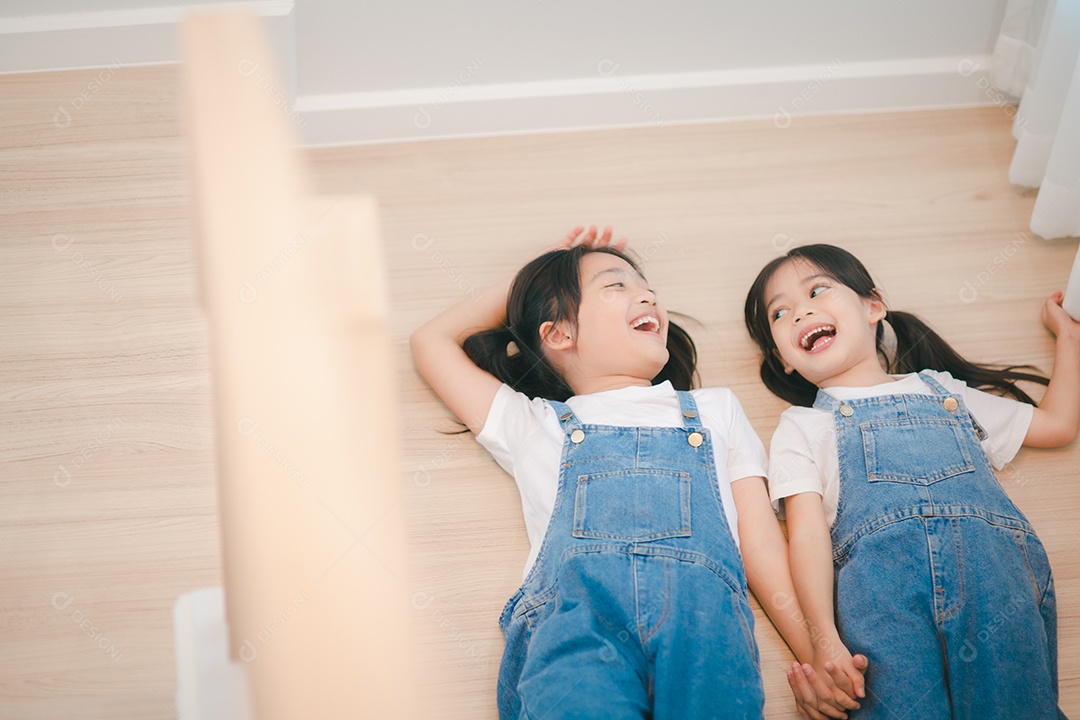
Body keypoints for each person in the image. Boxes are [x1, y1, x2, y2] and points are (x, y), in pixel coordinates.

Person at [412, 227, 864, 720]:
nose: (646, 293)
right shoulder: (536, 425)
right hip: (578, 628)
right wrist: (543, 269)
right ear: (559, 332)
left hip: (705, 632)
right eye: (616, 285)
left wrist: (816, 652)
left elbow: (758, 544)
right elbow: (430, 341)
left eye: (645, 286)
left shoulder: (715, 410)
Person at [744, 243, 1078, 718]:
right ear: (784, 362)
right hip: (883, 604)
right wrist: (824, 641)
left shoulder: (946, 392)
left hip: (995, 582)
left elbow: (1059, 425)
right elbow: (807, 536)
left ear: (873, 306)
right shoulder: (800, 426)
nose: (802, 312)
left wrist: (1069, 336)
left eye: (818, 289)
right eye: (780, 314)